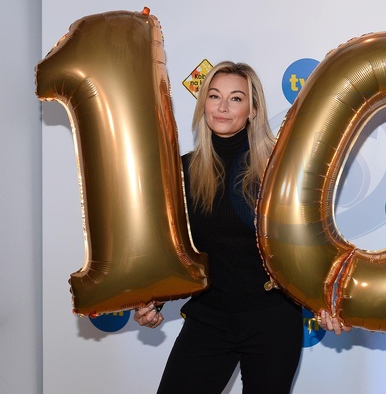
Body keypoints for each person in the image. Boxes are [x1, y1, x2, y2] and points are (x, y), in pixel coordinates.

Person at [134, 61, 350, 394]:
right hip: (209, 318)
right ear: (203, 103)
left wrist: (327, 301)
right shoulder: (183, 172)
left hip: (272, 321)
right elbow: (175, 250)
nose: (222, 107)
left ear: (253, 110)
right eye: (214, 96)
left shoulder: (279, 170)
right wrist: (153, 302)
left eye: (236, 98)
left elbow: (309, 244)